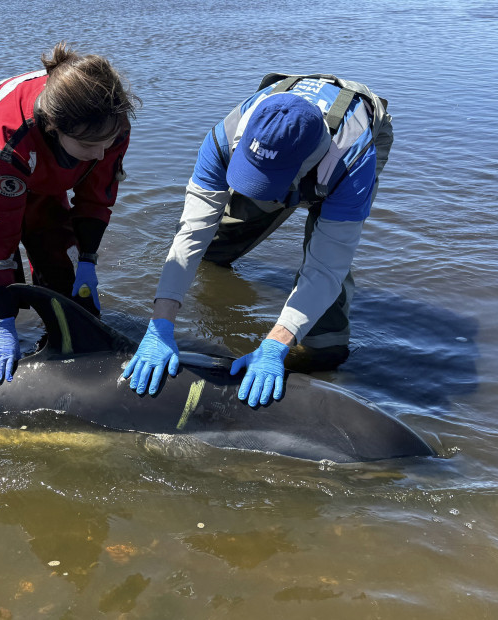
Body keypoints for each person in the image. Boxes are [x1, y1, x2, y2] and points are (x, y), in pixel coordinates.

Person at [122, 73, 393, 407]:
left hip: (340, 158)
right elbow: (191, 234)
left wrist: (277, 343)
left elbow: (326, 267)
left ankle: (319, 351)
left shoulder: (353, 165)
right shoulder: (225, 137)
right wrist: (160, 322)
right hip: (275, 152)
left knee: (325, 339)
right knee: (213, 248)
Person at [0, 42, 138, 383]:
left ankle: (52, 339)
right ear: (55, 127)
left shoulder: (106, 124)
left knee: (70, 291)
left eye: (108, 143)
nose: (100, 155)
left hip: (43, 165)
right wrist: (3, 323)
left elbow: (96, 197)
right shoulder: (7, 142)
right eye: (89, 147)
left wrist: (87, 258)